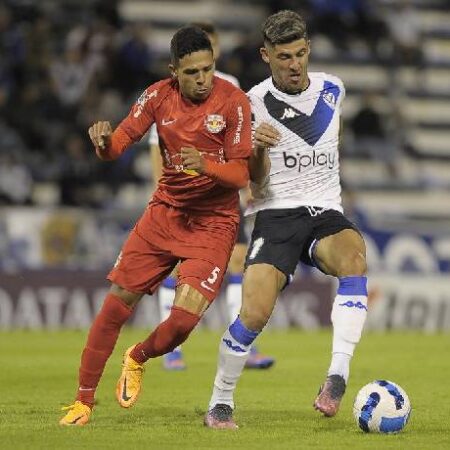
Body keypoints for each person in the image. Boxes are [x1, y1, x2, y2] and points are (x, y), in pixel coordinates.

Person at [59, 25, 253, 426]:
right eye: (192, 72)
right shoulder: (155, 96)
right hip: (165, 214)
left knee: (182, 322)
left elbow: (241, 176)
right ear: (173, 71)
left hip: (214, 222)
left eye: (208, 69)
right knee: (115, 305)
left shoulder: (233, 101)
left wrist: (208, 166)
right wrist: (102, 144)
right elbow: (118, 145)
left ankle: (138, 356)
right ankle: (82, 402)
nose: (202, 80)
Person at [204, 10, 368, 429]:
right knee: (255, 313)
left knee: (355, 259)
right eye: (284, 58)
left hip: (325, 211)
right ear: (266, 56)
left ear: (309, 49)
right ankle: (220, 401)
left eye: (299, 54)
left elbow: (331, 146)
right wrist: (257, 150)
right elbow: (254, 185)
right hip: (276, 214)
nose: (294, 65)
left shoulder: (334, 89)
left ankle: (337, 376)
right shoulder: (252, 104)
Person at [148, 21, 274, 371]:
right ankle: (171, 349)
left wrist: (248, 184)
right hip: (181, 193)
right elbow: (156, 147)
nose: (209, 57)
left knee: (238, 262)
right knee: (175, 265)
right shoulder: (168, 93)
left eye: (213, 49)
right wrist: (163, 187)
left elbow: (241, 143)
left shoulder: (232, 87)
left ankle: (243, 346)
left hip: (222, 193)